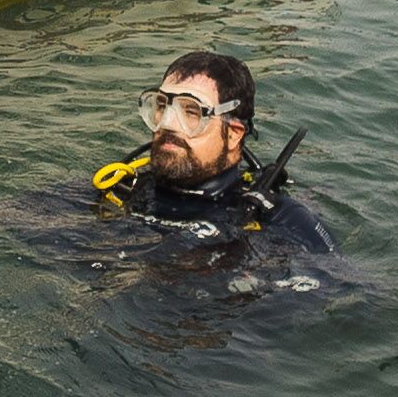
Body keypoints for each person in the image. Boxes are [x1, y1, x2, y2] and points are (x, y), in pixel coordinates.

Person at [90, 50, 326, 250]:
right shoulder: (122, 190)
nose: (168, 124)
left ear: (233, 134)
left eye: (192, 112)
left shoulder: (279, 220)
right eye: (161, 106)